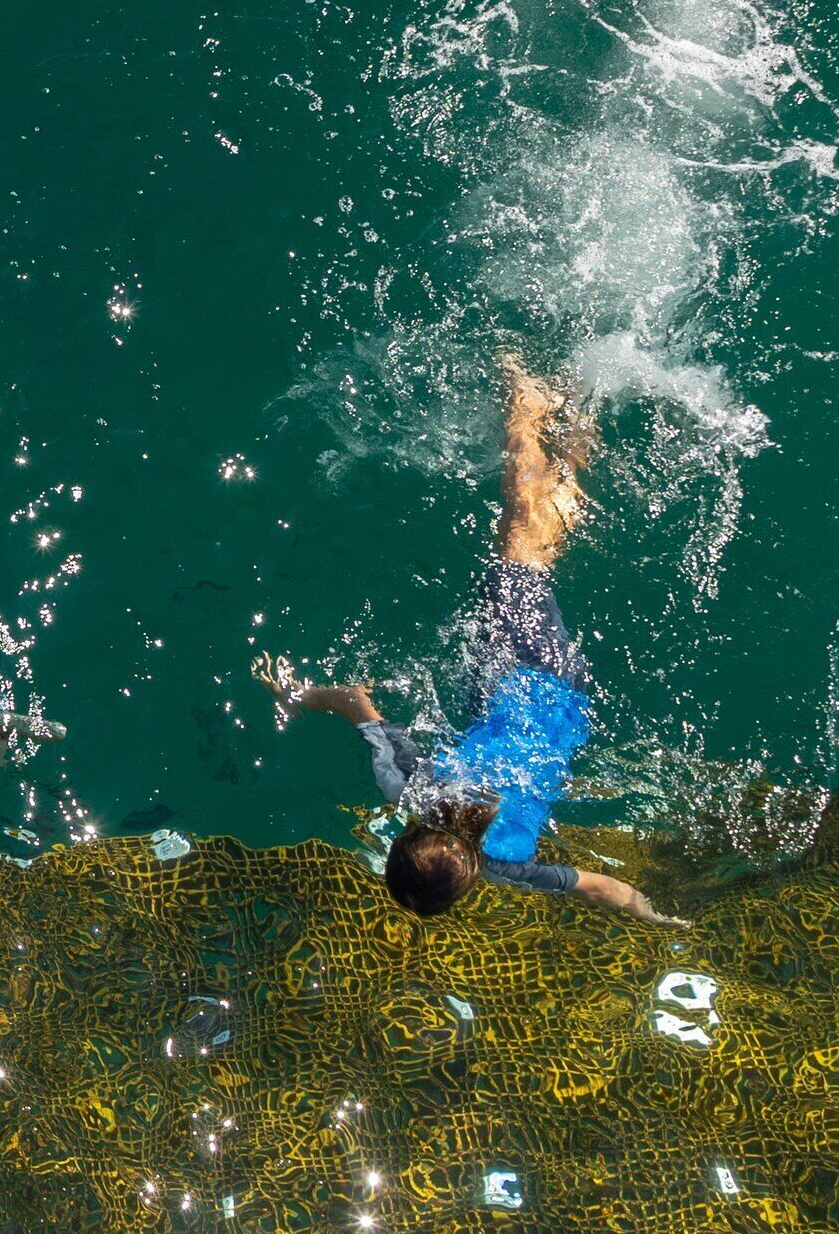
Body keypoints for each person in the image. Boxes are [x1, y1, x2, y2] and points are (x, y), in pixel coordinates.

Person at [258, 357, 679, 924]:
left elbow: (603, 887)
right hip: (517, 671)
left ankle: (578, 431)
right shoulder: (407, 790)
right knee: (521, 529)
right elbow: (355, 698)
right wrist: (297, 696)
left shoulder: (513, 870)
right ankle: (527, 403)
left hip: (570, 702)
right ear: (404, 840)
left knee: (538, 547)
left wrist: (654, 917)